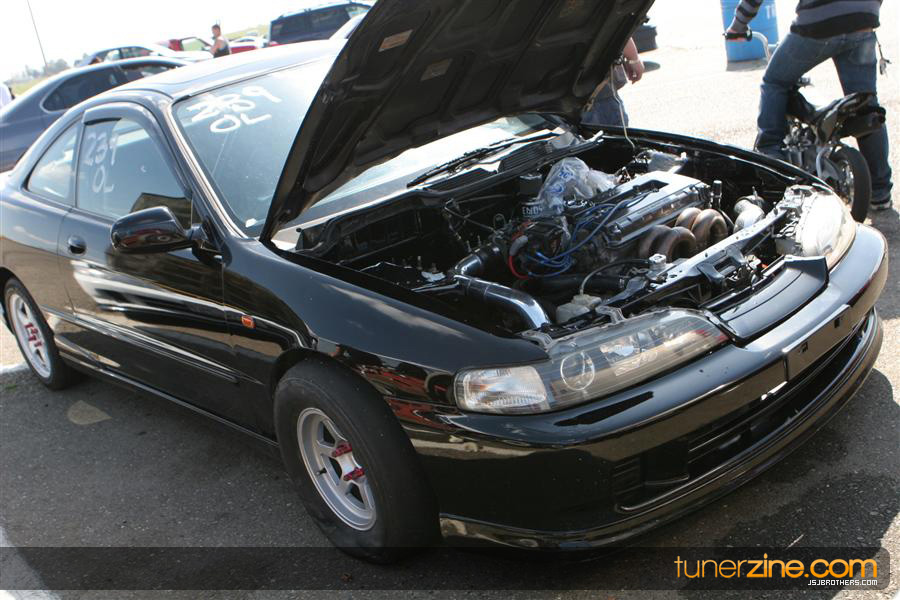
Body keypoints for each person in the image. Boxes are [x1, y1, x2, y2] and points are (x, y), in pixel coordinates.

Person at [728, 0, 893, 211]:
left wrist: (739, 25)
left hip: (818, 24)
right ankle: (879, 193)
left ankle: (770, 157)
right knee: (866, 107)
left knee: (774, 82)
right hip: (864, 20)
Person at [582, 37, 644, 128]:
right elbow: (620, 31)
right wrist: (634, 59)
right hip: (599, 94)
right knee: (616, 134)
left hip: (566, 100)